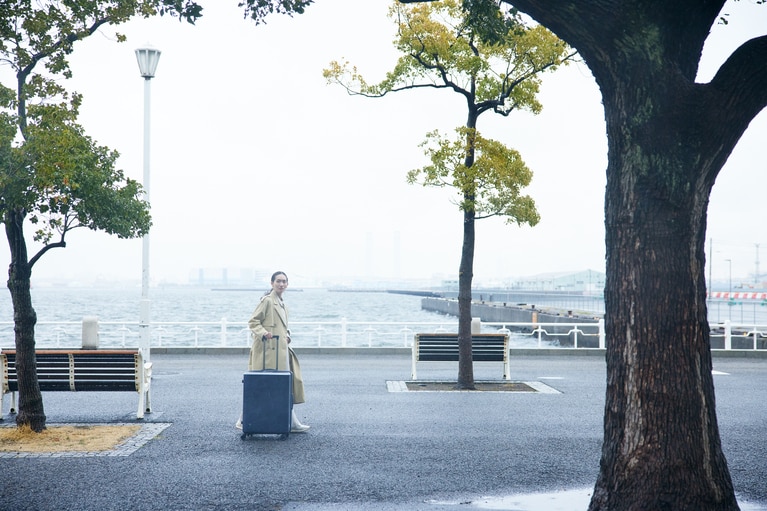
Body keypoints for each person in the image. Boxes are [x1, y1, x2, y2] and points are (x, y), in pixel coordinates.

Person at [236, 271, 309, 433]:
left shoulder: (282, 304)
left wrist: (288, 336)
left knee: (282, 386)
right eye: (278, 281)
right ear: (272, 283)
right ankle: (243, 419)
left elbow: (283, 327)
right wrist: (264, 333)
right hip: (267, 351)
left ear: (287, 284)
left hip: (280, 350)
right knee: (260, 385)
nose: (281, 284)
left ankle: (291, 421)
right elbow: (253, 321)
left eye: (284, 282)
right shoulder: (268, 301)